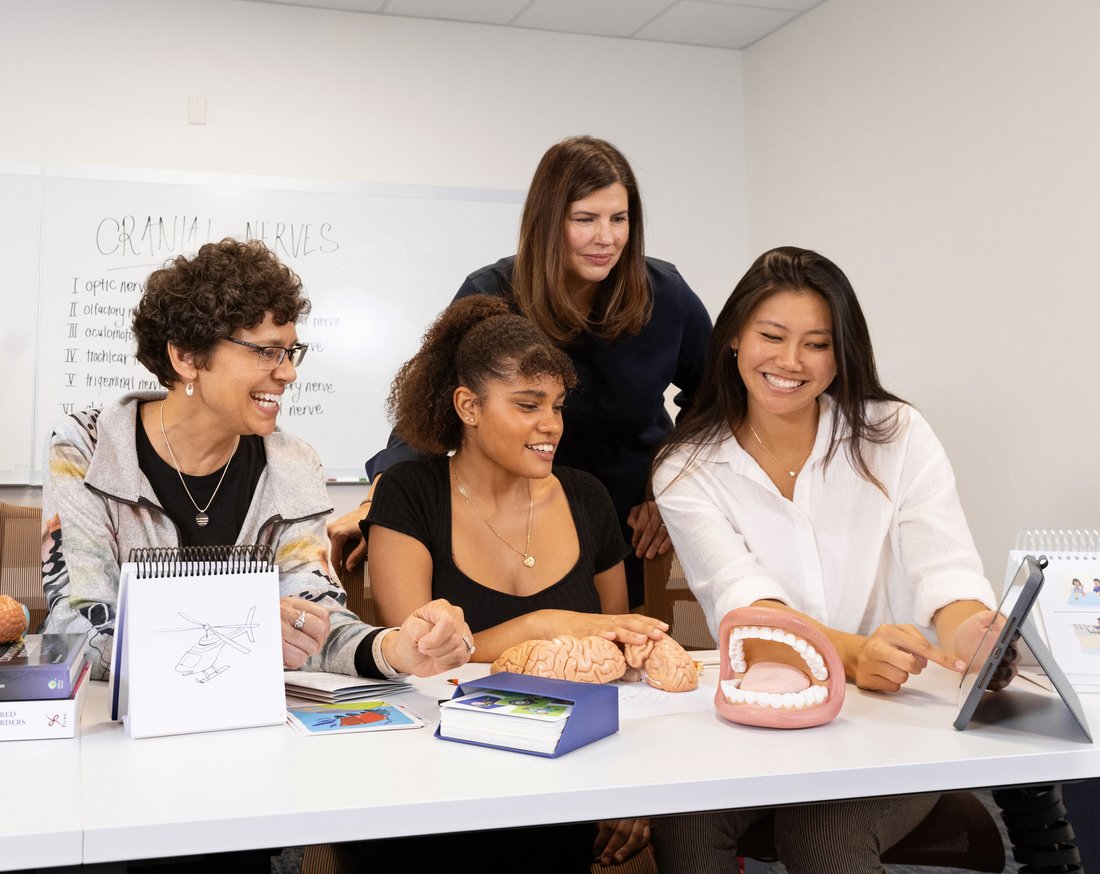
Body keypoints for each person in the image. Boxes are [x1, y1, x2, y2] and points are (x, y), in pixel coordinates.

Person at [649, 246, 1015, 873]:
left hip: (896, 716)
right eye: (772, 336)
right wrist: (855, 654)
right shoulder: (687, 467)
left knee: (820, 830)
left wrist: (974, 633)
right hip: (768, 713)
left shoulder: (897, 433)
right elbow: (748, 611)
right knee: (682, 816)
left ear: (842, 353)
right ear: (734, 337)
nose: (790, 361)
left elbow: (945, 573)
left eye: (816, 344)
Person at [41, 238, 473, 686]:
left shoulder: (293, 464)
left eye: (290, 352)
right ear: (186, 357)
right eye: (266, 352)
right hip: (116, 718)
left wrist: (397, 648)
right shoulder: (88, 449)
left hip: (250, 717)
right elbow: (78, 628)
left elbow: (315, 619)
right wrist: (246, 631)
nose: (288, 372)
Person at [329, 135, 713, 608]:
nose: (607, 238)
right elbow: (432, 404)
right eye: (585, 219)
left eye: (619, 218)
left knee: (612, 638)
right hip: (510, 519)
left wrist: (670, 487)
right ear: (548, 222)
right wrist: (380, 500)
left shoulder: (667, 294)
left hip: (630, 522)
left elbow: (715, 400)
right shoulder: (491, 292)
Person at [363, 294, 667, 870]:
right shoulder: (409, 493)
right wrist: (542, 626)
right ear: (468, 406)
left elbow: (618, 664)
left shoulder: (587, 497)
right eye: (528, 405)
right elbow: (418, 657)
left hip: (566, 771)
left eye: (557, 405)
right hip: (437, 774)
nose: (551, 425)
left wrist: (631, 784)